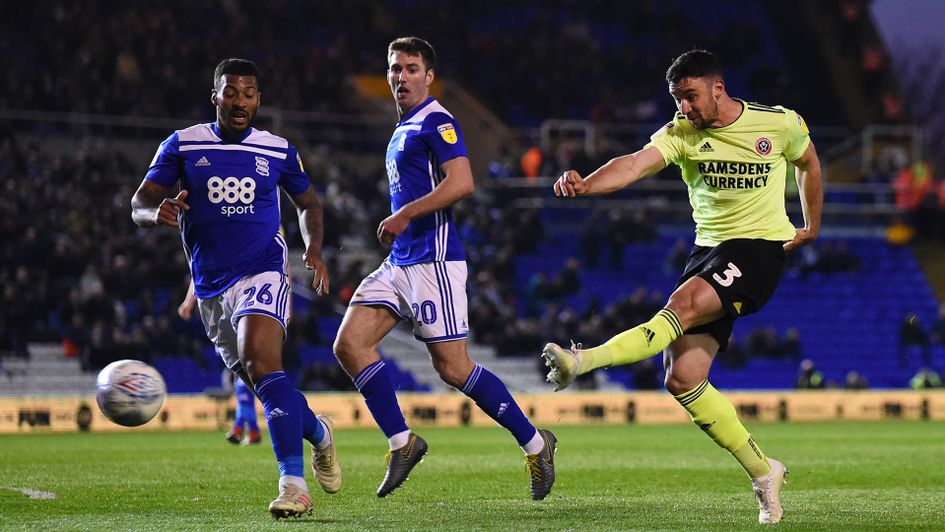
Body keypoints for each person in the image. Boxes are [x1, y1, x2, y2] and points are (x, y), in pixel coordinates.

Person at [541, 49, 822, 525]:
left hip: (757, 250)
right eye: (677, 99)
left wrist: (811, 227)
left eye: (690, 97)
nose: (684, 108)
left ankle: (581, 360)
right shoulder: (681, 133)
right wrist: (587, 184)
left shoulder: (778, 124)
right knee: (683, 377)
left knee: (681, 304)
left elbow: (809, 163)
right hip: (707, 254)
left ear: (717, 87)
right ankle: (763, 471)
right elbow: (633, 163)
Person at [331, 37, 557, 500]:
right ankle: (402, 441)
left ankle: (537, 444)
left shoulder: (437, 120)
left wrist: (406, 214)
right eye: (395, 68)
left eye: (411, 68)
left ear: (429, 77)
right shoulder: (402, 128)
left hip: (435, 263)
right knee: (350, 343)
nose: (401, 77)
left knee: (454, 370)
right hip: (400, 262)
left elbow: (463, 182)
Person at [131, 58, 341, 518]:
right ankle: (320, 433)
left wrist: (314, 249)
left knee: (262, 362)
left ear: (259, 100)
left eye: (248, 93)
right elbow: (139, 201)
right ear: (216, 96)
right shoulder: (183, 144)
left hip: (263, 270)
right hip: (210, 289)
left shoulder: (278, 150)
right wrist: (156, 213)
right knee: (265, 384)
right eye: (231, 92)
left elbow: (308, 203)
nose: (239, 100)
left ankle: (293, 485)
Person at [178, 280, 261, 445]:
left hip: (241, 305)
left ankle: (242, 427)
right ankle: (251, 429)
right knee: (242, 375)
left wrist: (188, 302)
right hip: (220, 311)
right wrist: (189, 302)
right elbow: (198, 270)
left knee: (246, 372)